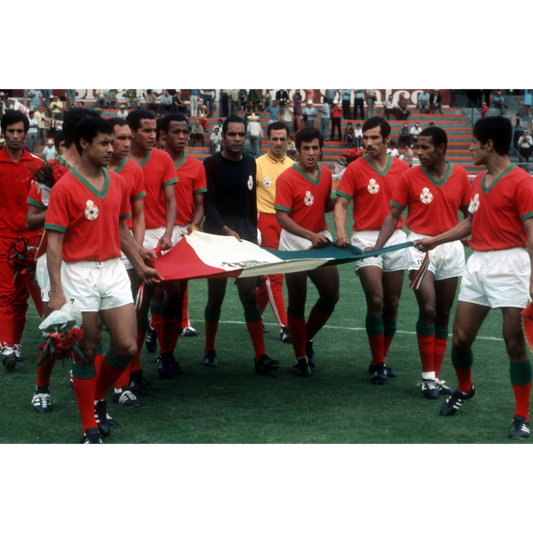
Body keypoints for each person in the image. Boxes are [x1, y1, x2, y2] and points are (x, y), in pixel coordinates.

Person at [45, 117, 161, 447]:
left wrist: (139, 264)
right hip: (78, 272)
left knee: (126, 346)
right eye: (104, 143)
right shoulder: (65, 187)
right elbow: (54, 242)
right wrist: (56, 292)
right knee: (87, 349)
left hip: (112, 269)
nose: (112, 148)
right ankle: (89, 429)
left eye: (113, 142)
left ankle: (97, 397)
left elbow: (121, 230)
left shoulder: (118, 182)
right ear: (84, 144)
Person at [415, 117, 533, 440]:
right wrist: (435, 240)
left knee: (514, 343)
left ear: (489, 145)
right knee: (460, 339)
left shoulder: (522, 182)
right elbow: (470, 223)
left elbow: (532, 234)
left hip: (511, 263)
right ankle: (465, 388)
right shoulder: (479, 180)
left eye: (473, 142)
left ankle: (521, 416)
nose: (469, 147)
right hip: (478, 262)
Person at [370, 127, 471, 398]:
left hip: (450, 248)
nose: (419, 152)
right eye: (418, 147)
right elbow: (393, 216)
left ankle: (436, 377)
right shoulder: (409, 176)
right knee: (428, 308)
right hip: (419, 247)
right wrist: (377, 248)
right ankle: (427, 378)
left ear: (441, 148)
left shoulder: (460, 175)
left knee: (443, 313)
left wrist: (467, 236)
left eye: (425, 147)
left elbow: (468, 214)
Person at [202, 116, 280, 375]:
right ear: (223, 136)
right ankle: (209, 349)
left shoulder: (250, 162)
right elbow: (208, 204)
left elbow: (251, 201)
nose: (237, 139)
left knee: (248, 294)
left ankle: (261, 357)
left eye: (241, 134)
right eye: (232, 134)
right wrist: (225, 229)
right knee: (216, 296)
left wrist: (252, 236)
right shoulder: (211, 164)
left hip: (245, 233)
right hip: (218, 235)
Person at [335, 117, 410, 385]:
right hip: (365, 239)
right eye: (365, 137)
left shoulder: (403, 168)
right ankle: (378, 363)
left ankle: (381, 359)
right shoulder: (355, 169)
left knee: (392, 304)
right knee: (376, 300)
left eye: (374, 137)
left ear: (387, 139)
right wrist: (341, 231)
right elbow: (340, 205)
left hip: (396, 238)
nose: (368, 142)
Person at [276, 128, 339, 378]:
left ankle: (306, 338)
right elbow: (282, 217)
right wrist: (309, 235)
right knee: (297, 301)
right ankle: (300, 358)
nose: (311, 153)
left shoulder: (327, 174)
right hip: (294, 242)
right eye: (306, 148)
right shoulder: (286, 178)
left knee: (331, 295)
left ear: (321, 149)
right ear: (297, 150)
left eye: (315, 148)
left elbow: (323, 204)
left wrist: (346, 198)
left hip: (320, 239)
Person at [125, 110, 179, 388]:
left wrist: (168, 233)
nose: (152, 135)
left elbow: (171, 201)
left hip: (158, 236)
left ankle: (166, 353)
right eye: (146, 130)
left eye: (154, 130)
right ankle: (133, 370)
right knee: (136, 303)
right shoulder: (118, 160)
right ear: (132, 132)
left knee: (174, 293)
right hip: (126, 236)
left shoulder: (163, 158)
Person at [106, 117, 148, 408]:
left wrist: (138, 248)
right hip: (92, 256)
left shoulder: (133, 170)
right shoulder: (85, 170)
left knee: (126, 318)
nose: (126, 143)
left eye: (128, 138)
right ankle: (90, 376)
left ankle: (122, 383)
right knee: (94, 325)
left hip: (125, 251)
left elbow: (138, 215)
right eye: (120, 138)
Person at [0, 110, 44, 370]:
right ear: (3, 132)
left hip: (32, 239)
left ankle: (14, 345)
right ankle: (5, 345)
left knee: (21, 297)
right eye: (11, 131)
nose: (15, 136)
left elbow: (46, 203)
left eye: (20, 131)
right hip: (2, 237)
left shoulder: (38, 165)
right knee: (4, 293)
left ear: (26, 133)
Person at [158, 113, 205, 339]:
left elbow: (200, 205)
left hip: (183, 231)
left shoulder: (196, 166)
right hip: (157, 231)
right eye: (176, 131)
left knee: (179, 288)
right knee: (157, 287)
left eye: (185, 132)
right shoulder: (153, 162)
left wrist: (194, 226)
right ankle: (153, 326)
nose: (182, 136)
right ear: (164, 135)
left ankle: (179, 327)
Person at [255, 122, 293, 344]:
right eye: (274, 139)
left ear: (288, 140)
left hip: (288, 224)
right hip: (265, 222)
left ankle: (254, 315)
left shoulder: (294, 166)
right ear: (267, 140)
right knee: (275, 275)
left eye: (282, 139)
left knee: (267, 278)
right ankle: (285, 327)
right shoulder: (257, 164)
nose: (278, 143)